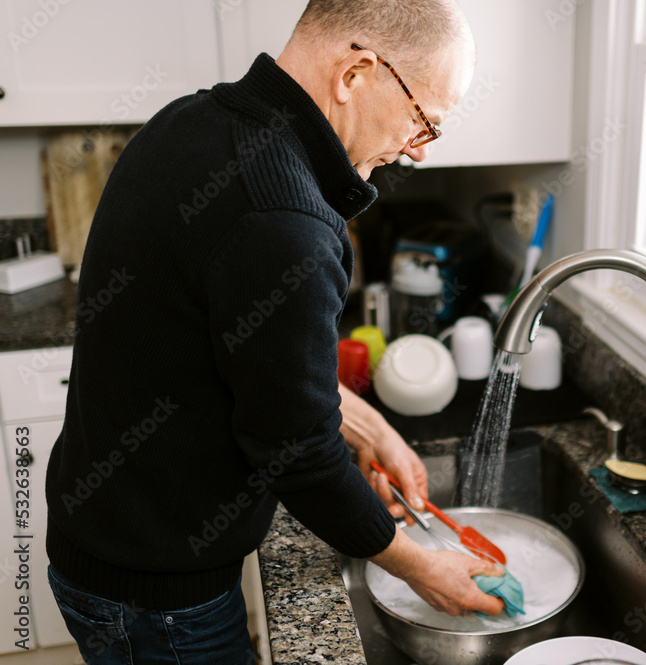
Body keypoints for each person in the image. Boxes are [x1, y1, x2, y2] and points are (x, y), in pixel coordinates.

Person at [44, 1, 504, 662]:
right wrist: (419, 565)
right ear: (356, 73)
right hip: (161, 595)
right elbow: (297, 450)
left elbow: (245, 359)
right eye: (423, 119)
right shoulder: (282, 219)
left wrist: (376, 432)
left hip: (104, 546)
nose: (419, 150)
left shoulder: (190, 119)